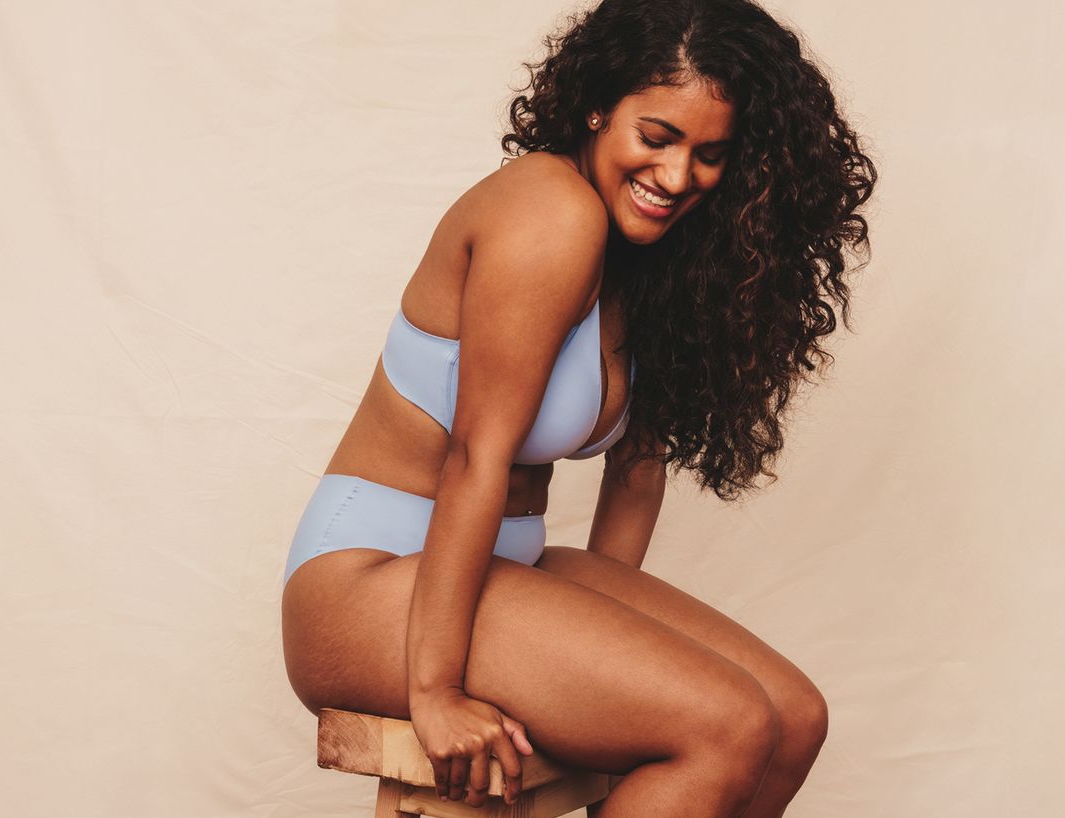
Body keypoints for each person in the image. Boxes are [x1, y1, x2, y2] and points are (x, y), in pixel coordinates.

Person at [280, 1, 875, 815]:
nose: (676, 177)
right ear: (599, 106)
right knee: (726, 724)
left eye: (709, 156)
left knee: (792, 719)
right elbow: (476, 457)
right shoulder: (549, 211)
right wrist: (436, 689)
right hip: (371, 582)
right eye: (656, 137)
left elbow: (636, 470)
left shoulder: (664, 261)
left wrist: (606, 657)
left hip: (501, 568)